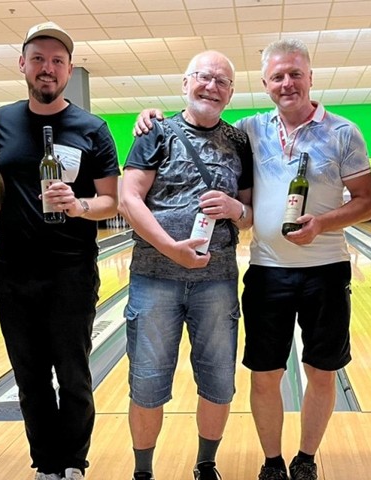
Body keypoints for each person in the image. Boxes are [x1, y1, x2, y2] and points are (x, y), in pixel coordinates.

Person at [135, 38, 371, 480]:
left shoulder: (344, 132)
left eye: (295, 74)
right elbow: (197, 118)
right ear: (265, 84)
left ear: (310, 77)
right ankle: (272, 461)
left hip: (326, 269)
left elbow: (367, 202)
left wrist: (322, 224)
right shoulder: (248, 130)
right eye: (277, 76)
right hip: (267, 271)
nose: (287, 83)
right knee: (265, 373)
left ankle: (306, 458)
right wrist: (151, 115)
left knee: (321, 371)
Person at [0, 21, 120, 480]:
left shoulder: (92, 128)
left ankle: (74, 462)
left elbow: (111, 200)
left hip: (71, 271)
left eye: (57, 61)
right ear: (22, 64)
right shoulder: (2, 121)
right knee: (29, 378)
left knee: (73, 375)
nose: (48, 68)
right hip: (13, 272)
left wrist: (80, 205)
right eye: (39, 59)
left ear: (68, 69)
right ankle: (46, 465)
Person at [119, 50, 254, 480]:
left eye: (221, 81)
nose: (211, 87)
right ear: (185, 83)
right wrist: (170, 248)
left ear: (230, 93)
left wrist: (235, 209)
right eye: (203, 77)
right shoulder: (155, 132)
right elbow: (129, 198)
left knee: (218, 381)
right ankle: (143, 472)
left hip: (216, 282)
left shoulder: (239, 142)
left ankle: (206, 465)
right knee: (147, 381)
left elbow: (249, 215)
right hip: (154, 279)